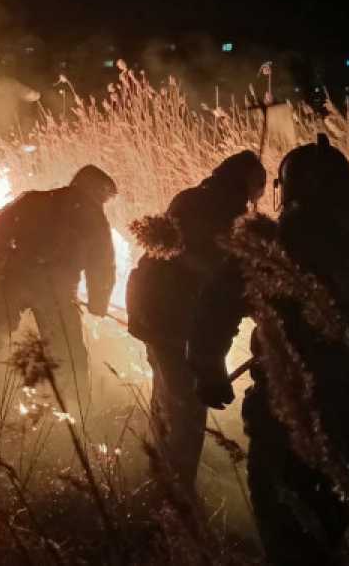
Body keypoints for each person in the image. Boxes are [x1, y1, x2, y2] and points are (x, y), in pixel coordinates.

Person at [190, 134, 349, 565]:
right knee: (335, 535)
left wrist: (207, 367)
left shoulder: (271, 248)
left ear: (288, 192)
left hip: (288, 416)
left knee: (289, 538)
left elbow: (215, 305)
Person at [126, 151, 265, 495]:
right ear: (248, 183)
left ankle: (158, 474)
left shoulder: (188, 197)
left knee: (165, 398)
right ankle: (176, 495)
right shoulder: (231, 214)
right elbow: (225, 282)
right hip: (180, 321)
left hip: (150, 312)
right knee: (187, 411)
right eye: (259, 185)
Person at [0, 165, 117, 412]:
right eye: (105, 195)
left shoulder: (34, 199)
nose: (104, 202)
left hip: (15, 277)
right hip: (56, 290)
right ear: (95, 188)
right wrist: (99, 300)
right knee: (68, 349)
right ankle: (78, 406)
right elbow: (102, 263)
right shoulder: (93, 216)